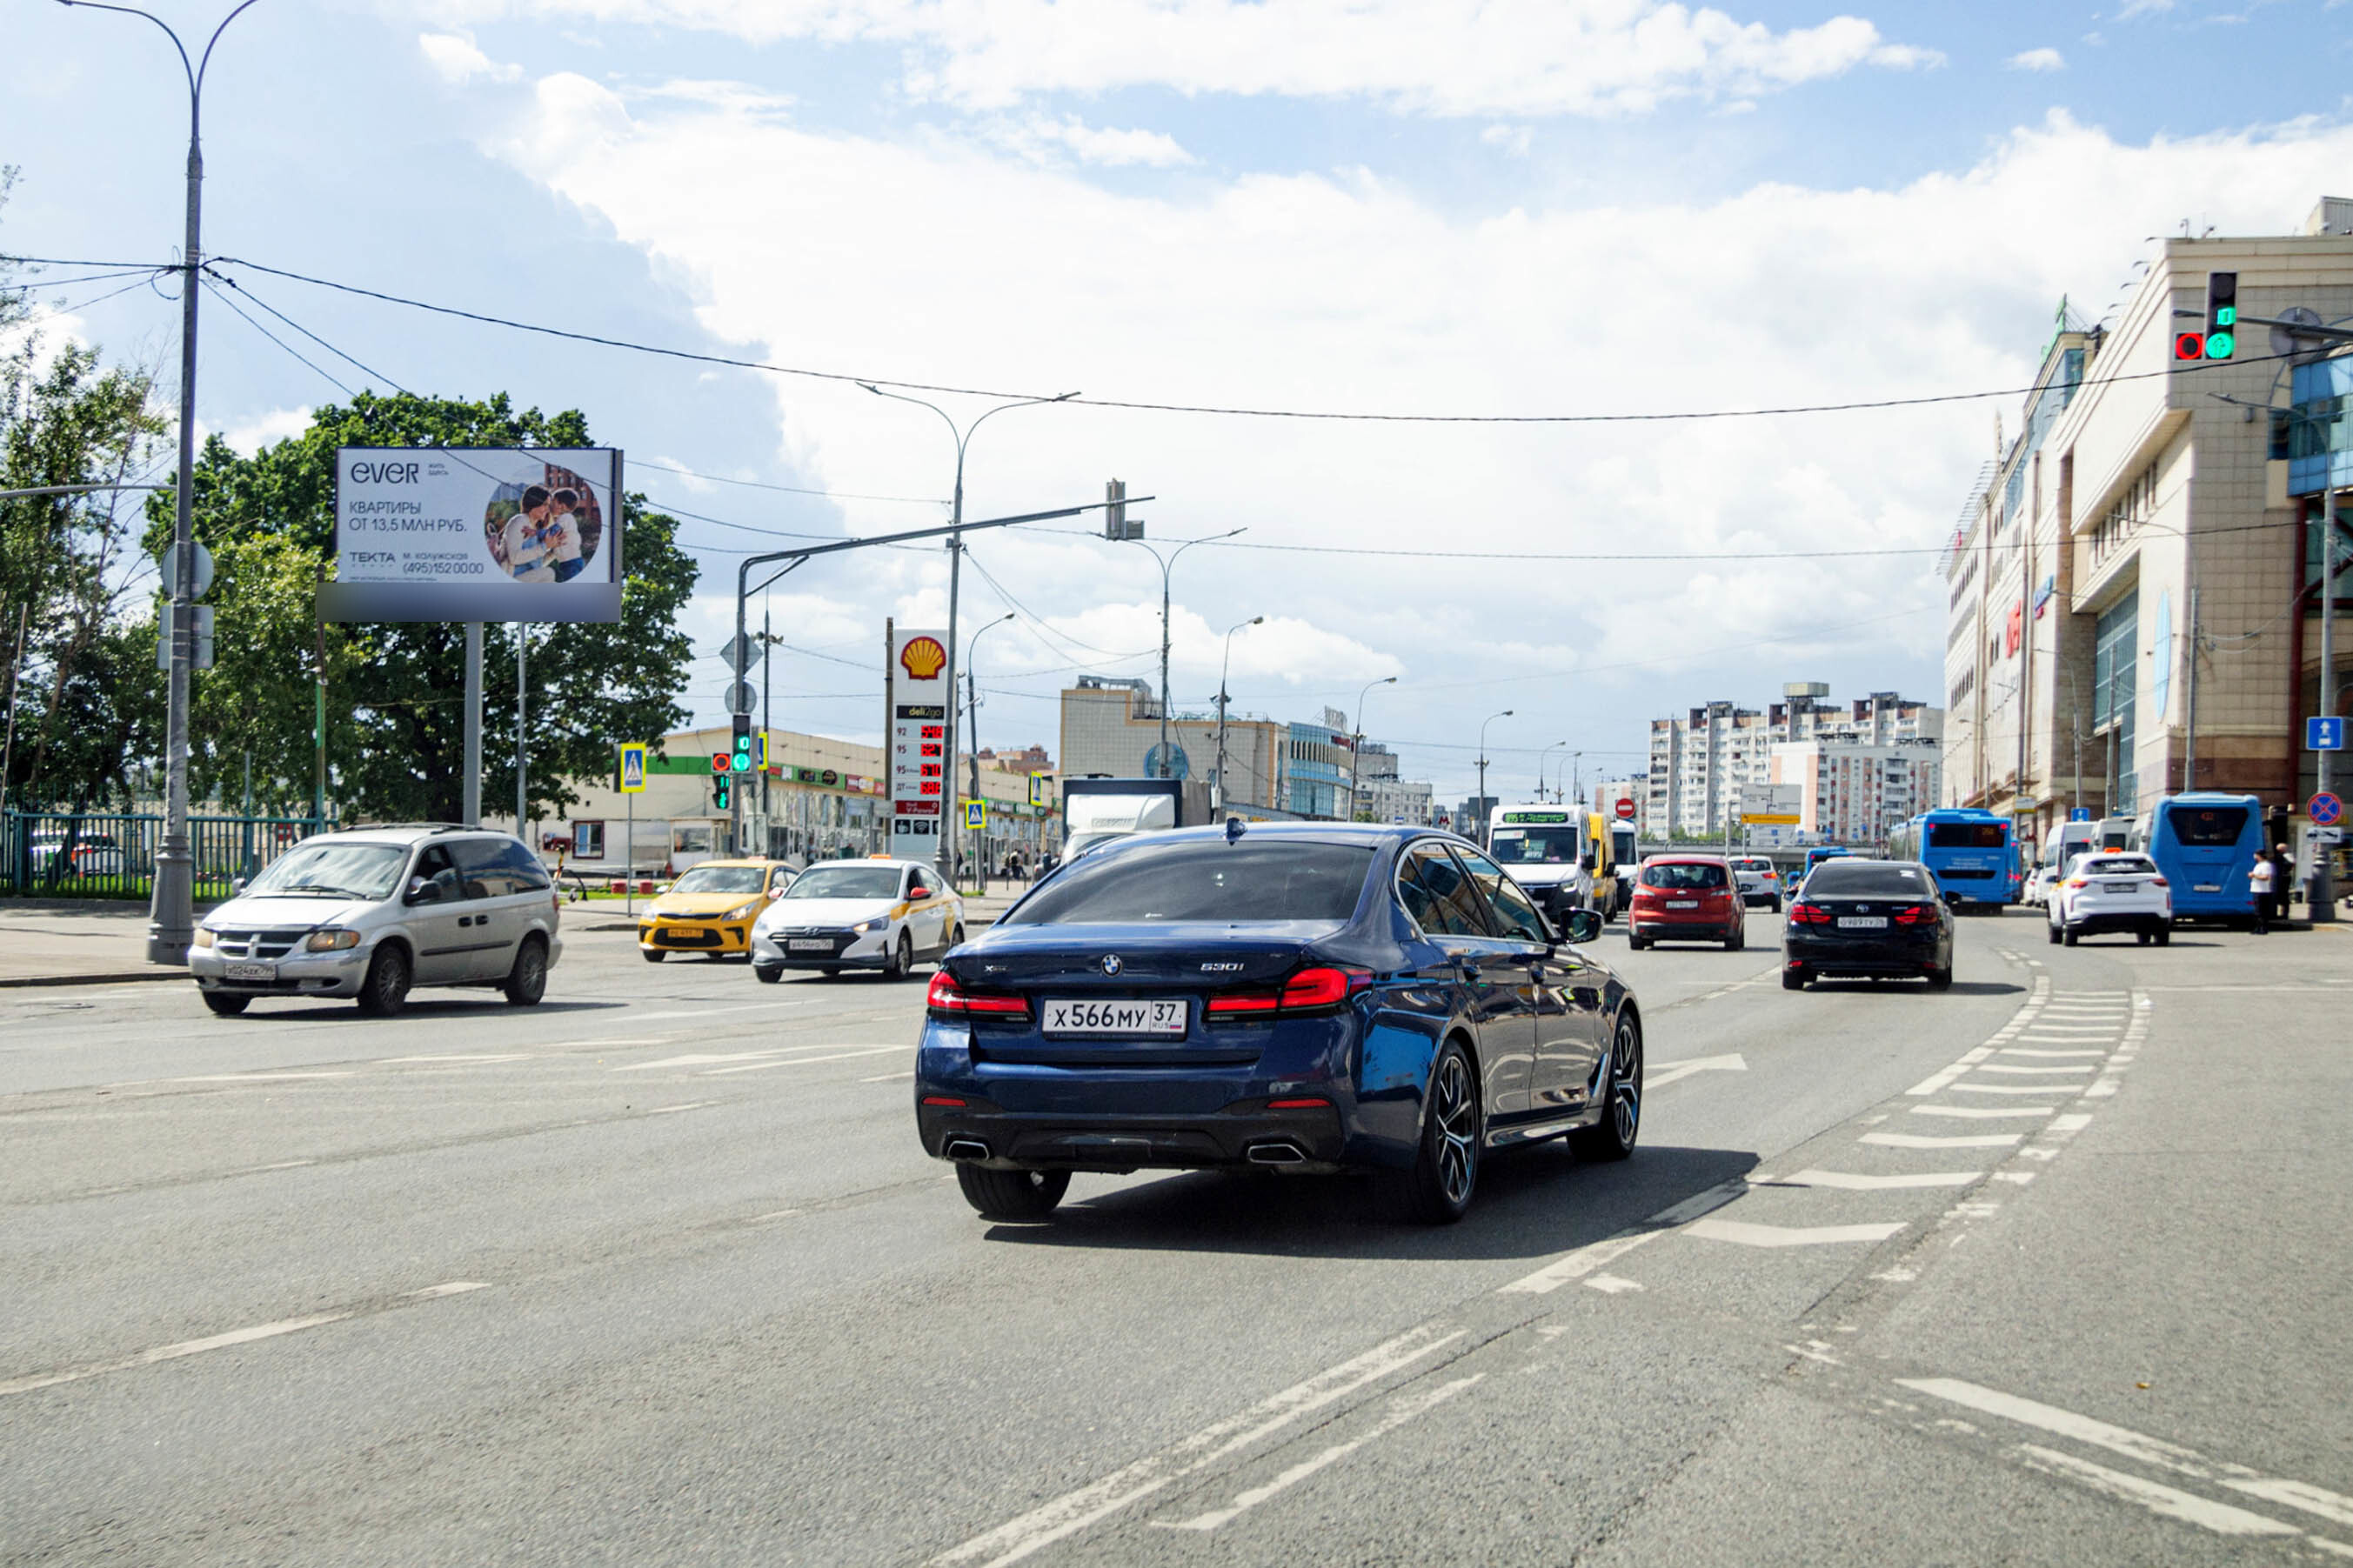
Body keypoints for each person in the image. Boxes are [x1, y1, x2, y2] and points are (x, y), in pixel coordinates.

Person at [502, 486, 558, 583]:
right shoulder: (519, 521)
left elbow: (535, 566)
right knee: (549, 573)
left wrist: (554, 551)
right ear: (533, 503)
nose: (548, 510)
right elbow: (514, 558)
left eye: (548, 506)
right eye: (545, 505)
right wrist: (544, 547)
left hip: (525, 580)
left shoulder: (537, 529)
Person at [545, 488, 588, 582]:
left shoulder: (566, 518)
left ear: (562, 506)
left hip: (571, 563)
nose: (550, 504)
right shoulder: (564, 519)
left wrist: (536, 533)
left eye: (553, 501)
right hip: (567, 563)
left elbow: (552, 532)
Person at [2248, 848, 2276, 935]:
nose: (2255, 857)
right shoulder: (2258, 865)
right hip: (2256, 889)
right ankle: (2258, 928)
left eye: (2256, 855)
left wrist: (2254, 875)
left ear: (2260, 856)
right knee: (2257, 911)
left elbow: (2266, 877)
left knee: (2261, 911)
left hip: (2263, 891)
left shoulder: (2266, 865)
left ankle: (2263, 928)